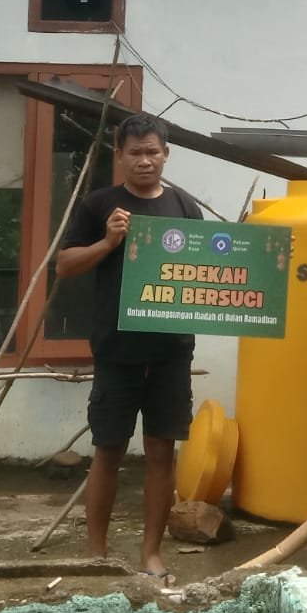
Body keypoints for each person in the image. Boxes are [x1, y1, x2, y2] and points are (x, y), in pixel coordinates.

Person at [56, 113, 202, 584]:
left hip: (171, 351)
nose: (145, 161)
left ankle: (151, 554)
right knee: (108, 449)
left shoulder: (183, 205)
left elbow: (207, 269)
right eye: (135, 152)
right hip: (116, 351)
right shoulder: (101, 204)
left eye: (153, 152)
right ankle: (96, 554)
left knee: (162, 450)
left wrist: (263, 263)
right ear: (118, 156)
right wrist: (108, 241)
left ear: (166, 154)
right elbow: (64, 265)